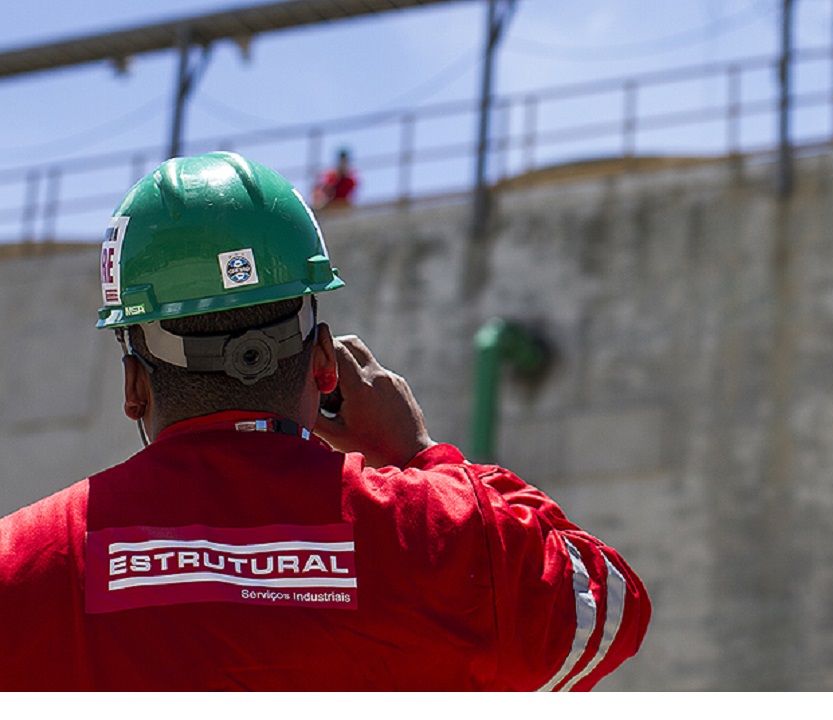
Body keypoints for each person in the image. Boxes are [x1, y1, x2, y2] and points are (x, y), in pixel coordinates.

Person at [0, 151, 650, 691]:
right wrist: (422, 458)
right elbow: (609, 609)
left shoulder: (18, 566)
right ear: (322, 362)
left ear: (134, 385)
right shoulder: (444, 539)